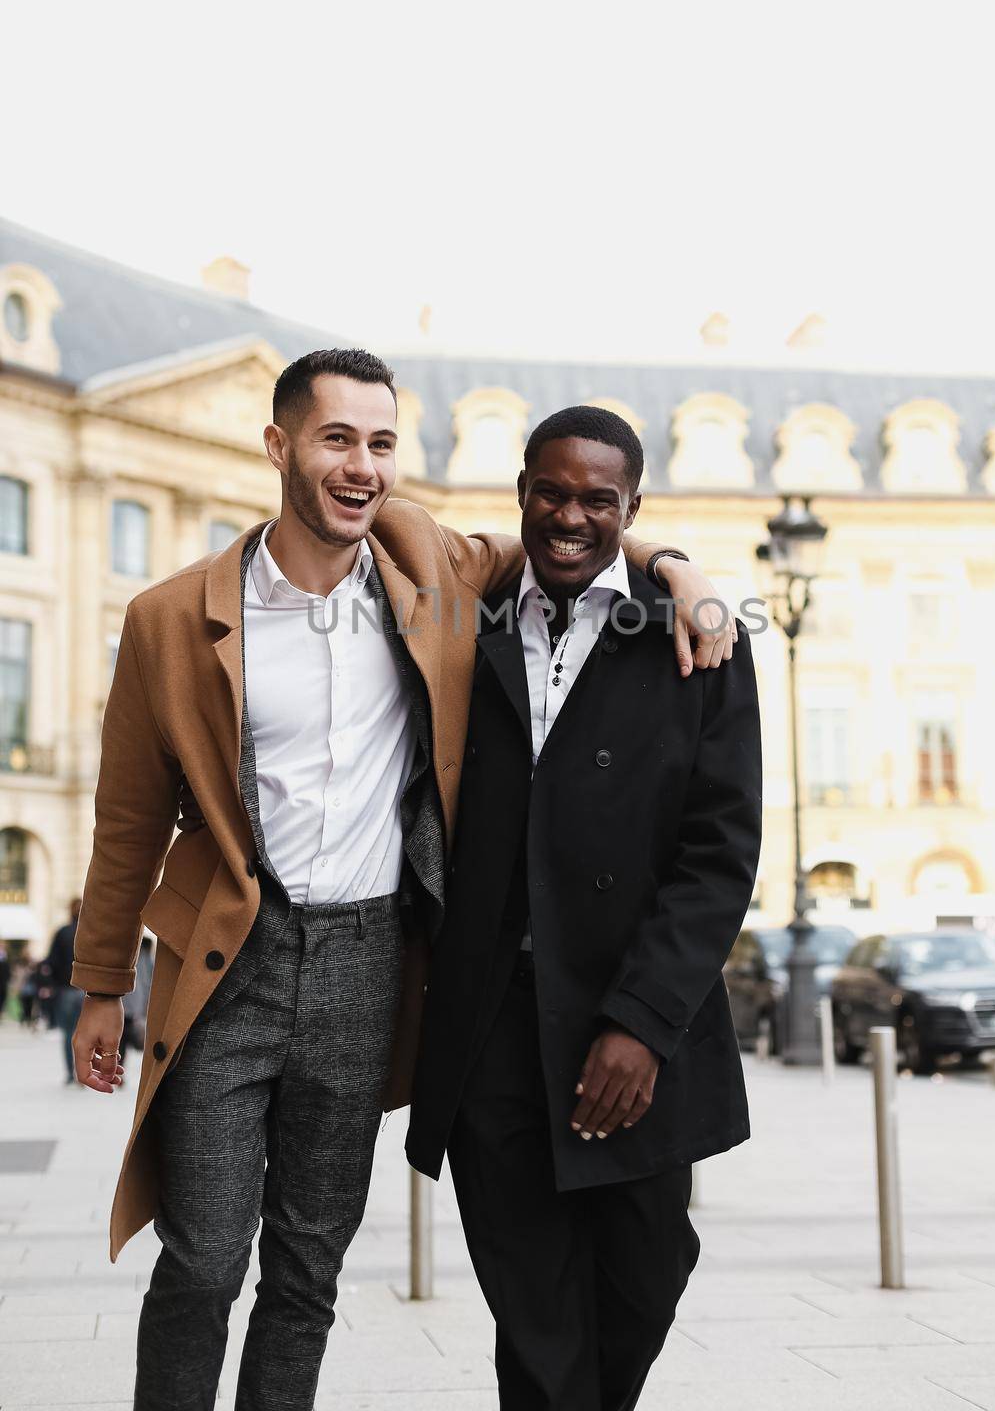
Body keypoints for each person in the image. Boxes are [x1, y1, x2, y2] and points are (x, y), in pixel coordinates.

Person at [69, 347, 732, 1411]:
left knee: (307, 1262)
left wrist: (676, 569)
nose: (361, 466)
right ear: (280, 445)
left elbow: (572, 534)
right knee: (200, 1256)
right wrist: (101, 984)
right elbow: (128, 817)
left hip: (371, 959)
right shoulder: (168, 618)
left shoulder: (427, 563)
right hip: (225, 962)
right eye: (337, 438)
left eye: (380, 443)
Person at [407, 406, 763, 1411]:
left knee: (644, 1276)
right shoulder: (457, 621)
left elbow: (720, 853)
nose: (571, 516)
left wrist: (639, 1026)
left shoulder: (694, 638)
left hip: (631, 1023)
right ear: (520, 493)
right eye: (551, 492)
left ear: (631, 508)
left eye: (598, 500)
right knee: (532, 1311)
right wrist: (668, 555)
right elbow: (381, 514)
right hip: (490, 1029)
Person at [46, 899, 83, 1082]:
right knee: (85, 1033)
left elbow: (51, 961)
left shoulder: (62, 932)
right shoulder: (89, 933)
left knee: (69, 1033)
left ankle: (70, 1073)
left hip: (66, 989)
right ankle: (85, 1071)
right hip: (87, 992)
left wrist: (54, 983)